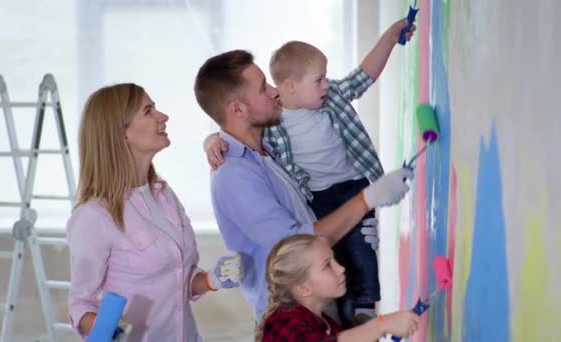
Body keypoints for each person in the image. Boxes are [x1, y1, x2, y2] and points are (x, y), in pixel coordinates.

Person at [204, 19, 415, 325]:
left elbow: (363, 76)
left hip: (316, 295)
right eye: (264, 87)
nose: (274, 92)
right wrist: (366, 201)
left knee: (355, 259)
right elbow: (296, 240)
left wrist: (391, 37)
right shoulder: (236, 172)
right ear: (238, 109)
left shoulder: (266, 149)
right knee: (343, 262)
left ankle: (364, 305)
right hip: (293, 310)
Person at [67, 83, 241, 341]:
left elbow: (178, 277)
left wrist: (211, 280)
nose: (163, 117)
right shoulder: (94, 217)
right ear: (121, 133)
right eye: (148, 111)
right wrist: (110, 331)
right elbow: (81, 305)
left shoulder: (164, 195)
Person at [256, 234, 419, 341]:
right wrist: (380, 325)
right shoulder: (285, 323)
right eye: (328, 265)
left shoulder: (322, 321)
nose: (340, 268)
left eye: (334, 260)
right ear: (303, 288)